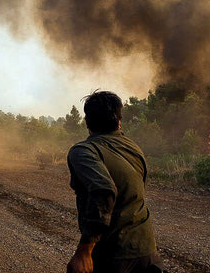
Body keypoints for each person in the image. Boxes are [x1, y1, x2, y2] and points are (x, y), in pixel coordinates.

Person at [66, 91, 164, 273]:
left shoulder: (83, 151)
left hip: (114, 256)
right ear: (119, 120)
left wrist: (84, 251)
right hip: (147, 252)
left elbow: (103, 190)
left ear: (87, 121)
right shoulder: (133, 147)